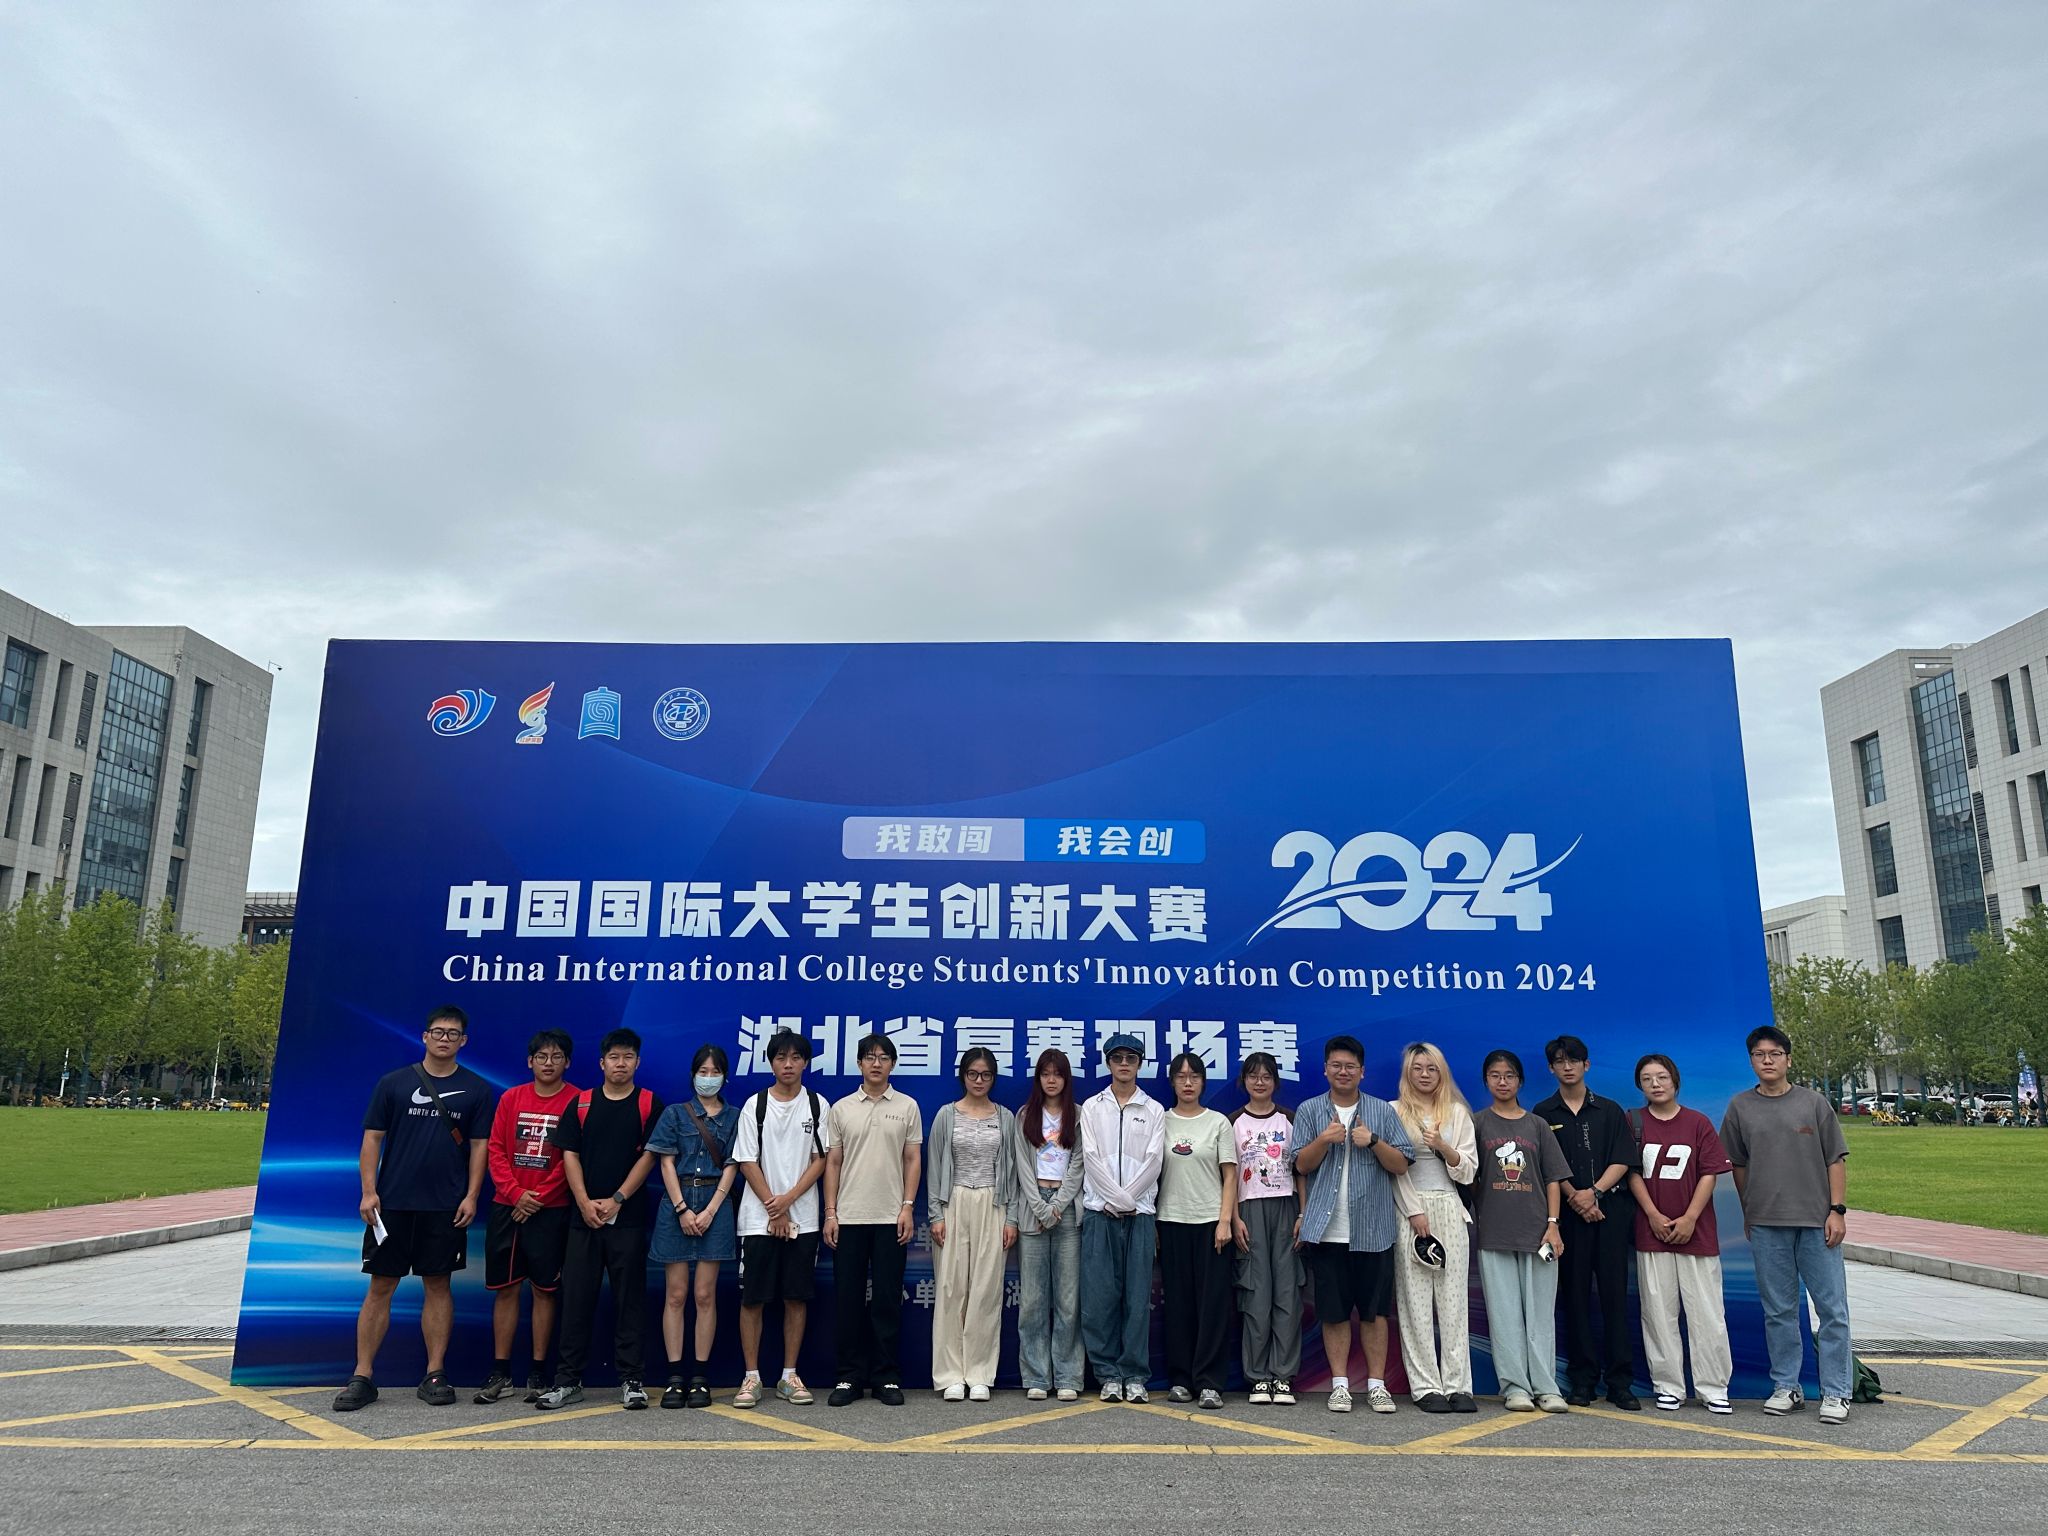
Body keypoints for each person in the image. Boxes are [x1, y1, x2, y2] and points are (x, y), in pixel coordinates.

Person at [333, 1004, 493, 1412]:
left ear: (463, 1041)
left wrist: (472, 1195)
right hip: (392, 1205)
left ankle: (435, 1374)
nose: (444, 1039)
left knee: (438, 1286)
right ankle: (362, 1376)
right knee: (380, 1286)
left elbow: (480, 1147)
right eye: (438, 1032)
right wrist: (368, 1192)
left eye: (453, 1033)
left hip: (445, 1207)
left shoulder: (476, 1089)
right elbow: (372, 1139)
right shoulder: (394, 1083)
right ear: (425, 1036)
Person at [1721, 1024, 1854, 1426]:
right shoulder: (1740, 1107)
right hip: (1766, 1223)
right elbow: (1737, 1164)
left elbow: (1835, 1159)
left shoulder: (1814, 1104)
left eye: (1775, 1054)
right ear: (1751, 1061)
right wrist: (1749, 1209)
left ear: (1788, 1060)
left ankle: (1837, 1392)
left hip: (1817, 1222)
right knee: (1778, 1311)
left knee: (1832, 1310)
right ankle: (1786, 1387)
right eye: (1759, 1055)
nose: (1767, 1061)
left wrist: (1837, 1210)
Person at [536, 1028, 662, 1410]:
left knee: (629, 1302)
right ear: (601, 1062)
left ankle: (632, 1381)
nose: (621, 1064)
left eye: (628, 1057)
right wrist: (584, 1202)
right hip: (583, 1220)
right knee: (576, 1300)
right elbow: (569, 1155)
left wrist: (619, 1199)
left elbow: (650, 1156)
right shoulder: (581, 1103)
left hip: (628, 1219)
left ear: (638, 1062)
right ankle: (567, 1381)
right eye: (614, 1057)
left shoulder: (649, 1103)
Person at [1289, 1034, 1413, 1414]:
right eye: (1336, 1066)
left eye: (1350, 1066)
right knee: (1334, 1312)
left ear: (1362, 1072)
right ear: (1325, 1069)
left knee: (1375, 1312)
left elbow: (1402, 1163)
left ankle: (1377, 1385)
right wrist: (1323, 1141)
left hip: (1374, 1230)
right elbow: (1300, 1165)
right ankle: (1340, 1385)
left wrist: (1372, 1141)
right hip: (1327, 1231)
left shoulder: (1381, 1111)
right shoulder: (1310, 1110)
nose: (1343, 1072)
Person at [1534, 1034, 1640, 1409]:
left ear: (1586, 1065)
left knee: (1615, 1298)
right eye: (1560, 1061)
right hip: (1568, 1220)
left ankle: (1620, 1382)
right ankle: (1582, 1381)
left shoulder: (1609, 1110)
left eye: (1574, 1060)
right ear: (1551, 1068)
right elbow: (1545, 1166)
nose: (1568, 1067)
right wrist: (1575, 1199)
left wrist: (1593, 1193)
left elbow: (1623, 1159)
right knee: (1575, 1299)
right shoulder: (1543, 1113)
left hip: (1611, 1214)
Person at [1627, 1053, 1734, 1414]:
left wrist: (1689, 1217)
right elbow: (1631, 1173)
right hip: (1651, 1231)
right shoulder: (1633, 1121)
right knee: (1658, 1314)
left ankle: (1713, 1387)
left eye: (1661, 1077)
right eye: (1647, 1079)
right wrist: (1653, 1214)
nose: (1655, 1084)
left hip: (1697, 1234)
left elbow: (1709, 1173)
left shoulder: (1698, 1122)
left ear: (1675, 1079)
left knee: (1706, 1313)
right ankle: (1669, 1385)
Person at [731, 1029, 831, 1408]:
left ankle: (789, 1375)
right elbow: (746, 1160)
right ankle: (751, 1377)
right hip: (758, 1220)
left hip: (802, 1220)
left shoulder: (817, 1105)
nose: (788, 1065)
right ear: (771, 1063)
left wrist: (787, 1202)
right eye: (780, 1058)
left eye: (795, 1058)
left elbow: (820, 1160)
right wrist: (774, 1207)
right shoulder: (755, 1105)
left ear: (805, 1062)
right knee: (753, 1299)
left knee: (795, 1297)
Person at [476, 1028, 577, 1404]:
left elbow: (572, 1158)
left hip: (552, 1210)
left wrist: (539, 1197)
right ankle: (501, 1372)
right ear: (530, 1061)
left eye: (556, 1057)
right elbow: (496, 1150)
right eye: (541, 1057)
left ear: (567, 1062)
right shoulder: (511, 1098)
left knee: (544, 1291)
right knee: (506, 1290)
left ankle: (537, 1372)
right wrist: (516, 1194)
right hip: (508, 1206)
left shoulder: (578, 1100)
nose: (548, 1063)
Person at [823, 1033, 923, 1407]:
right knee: (848, 1300)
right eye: (869, 1057)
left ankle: (886, 1377)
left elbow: (912, 1159)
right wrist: (830, 1213)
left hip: (890, 1217)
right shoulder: (842, 1108)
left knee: (886, 1300)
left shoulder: (908, 1106)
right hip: (849, 1217)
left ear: (892, 1064)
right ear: (859, 1064)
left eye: (883, 1057)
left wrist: (907, 1206)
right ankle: (848, 1376)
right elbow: (833, 1163)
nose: (876, 1063)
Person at [1470, 1048, 1571, 1413]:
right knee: (1504, 1315)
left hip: (1539, 1235)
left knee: (1540, 1316)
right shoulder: (1477, 1124)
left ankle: (1546, 1387)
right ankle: (1515, 1387)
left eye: (1509, 1075)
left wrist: (1553, 1226)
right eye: (1495, 1075)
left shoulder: (1537, 1125)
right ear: (1486, 1080)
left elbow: (1553, 1179)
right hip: (1495, 1234)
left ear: (1520, 1081)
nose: (1503, 1081)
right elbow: (1468, 1176)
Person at [648, 1044, 740, 1408]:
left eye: (714, 1072)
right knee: (675, 1294)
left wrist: (711, 1209)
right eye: (703, 1072)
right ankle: (675, 1377)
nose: (708, 1078)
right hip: (677, 1205)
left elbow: (733, 1164)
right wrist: (683, 1209)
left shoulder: (735, 1116)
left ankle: (700, 1376)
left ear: (725, 1077)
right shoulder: (674, 1113)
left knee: (705, 1294)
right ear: (693, 1075)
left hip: (717, 1205)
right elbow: (665, 1163)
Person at [1390, 1041, 1478, 1413]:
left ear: (1442, 1073)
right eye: (1418, 1068)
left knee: (1454, 1301)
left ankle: (1458, 1385)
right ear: (1407, 1073)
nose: (1425, 1075)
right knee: (1415, 1302)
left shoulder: (1457, 1112)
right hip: (1410, 1211)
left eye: (1431, 1069)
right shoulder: (1394, 1111)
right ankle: (1426, 1385)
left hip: (1449, 1207)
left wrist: (1442, 1145)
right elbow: (1394, 1171)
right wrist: (1414, 1212)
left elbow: (1468, 1170)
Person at [1080, 1032, 1166, 1402]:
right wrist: (1115, 1200)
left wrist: (1128, 1199)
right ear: (1108, 1063)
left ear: (1140, 1063)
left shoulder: (1154, 1109)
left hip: (1140, 1215)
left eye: (1131, 1058)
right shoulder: (1092, 1107)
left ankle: (1134, 1375)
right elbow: (1090, 1157)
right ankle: (1107, 1375)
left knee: (1136, 1300)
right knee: (1100, 1299)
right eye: (1118, 1058)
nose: (1124, 1064)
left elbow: (1154, 1161)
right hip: (1100, 1214)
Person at [929, 1046, 1019, 1401]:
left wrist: (1011, 1218)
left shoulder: (1005, 1117)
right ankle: (951, 1374)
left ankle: (979, 1372)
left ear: (993, 1078)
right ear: (963, 1076)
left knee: (986, 1291)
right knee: (951, 1290)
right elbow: (935, 1165)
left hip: (993, 1204)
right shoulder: (946, 1115)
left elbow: (1012, 1170)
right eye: (973, 1074)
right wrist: (936, 1214)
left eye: (985, 1075)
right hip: (954, 1201)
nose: (979, 1080)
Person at [1157, 1052, 1237, 1409]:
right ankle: (1180, 1379)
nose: (1188, 1083)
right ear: (1172, 1082)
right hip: (1171, 1220)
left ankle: (1209, 1382)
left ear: (1203, 1082)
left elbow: (1230, 1175)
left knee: (1212, 1306)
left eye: (1194, 1076)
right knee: (1178, 1304)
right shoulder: (1160, 1121)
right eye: (1181, 1076)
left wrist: (1225, 1220)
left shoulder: (1218, 1122)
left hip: (1210, 1224)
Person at [1012, 1047, 1086, 1402]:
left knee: (1068, 1300)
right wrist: (1041, 1208)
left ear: (1066, 1078)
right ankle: (1037, 1376)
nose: (1051, 1080)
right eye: (1045, 1074)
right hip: (1033, 1208)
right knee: (1033, 1300)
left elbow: (1079, 1165)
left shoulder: (1079, 1115)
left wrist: (1057, 1205)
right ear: (1038, 1078)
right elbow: (1022, 1168)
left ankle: (1069, 1375)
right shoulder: (1025, 1115)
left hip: (1067, 1209)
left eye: (1057, 1074)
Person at [1231, 1052, 1302, 1408]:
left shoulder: (1289, 1119)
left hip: (1286, 1208)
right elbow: (1227, 1176)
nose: (1260, 1082)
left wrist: (1304, 1213)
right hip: (1249, 1210)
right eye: (1253, 1076)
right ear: (1243, 1080)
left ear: (1275, 1081)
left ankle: (1283, 1375)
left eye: (1267, 1076)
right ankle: (1259, 1376)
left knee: (1287, 1295)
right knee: (1256, 1296)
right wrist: (1233, 1218)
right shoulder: (1233, 1122)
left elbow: (1301, 1171)